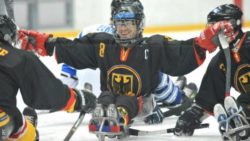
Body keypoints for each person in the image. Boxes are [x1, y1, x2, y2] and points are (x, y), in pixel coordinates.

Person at [18, 0, 234, 134]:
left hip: (145, 101)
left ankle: (122, 114)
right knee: (105, 97)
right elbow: (73, 49)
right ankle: (107, 113)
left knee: (142, 99)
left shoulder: (153, 45)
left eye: (128, 23)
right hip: (109, 96)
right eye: (119, 23)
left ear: (138, 24)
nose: (123, 28)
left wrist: (206, 40)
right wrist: (44, 43)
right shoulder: (103, 43)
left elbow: (182, 52)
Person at [59, 0, 198, 125]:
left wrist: (76, 100)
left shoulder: (87, 32)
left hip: (94, 101)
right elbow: (151, 74)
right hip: (129, 102)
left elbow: (67, 76)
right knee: (151, 65)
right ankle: (177, 96)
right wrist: (176, 101)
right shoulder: (130, 40)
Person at [0, 15, 96, 141]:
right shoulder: (17, 58)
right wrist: (77, 100)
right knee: (14, 124)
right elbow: (47, 93)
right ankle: (30, 131)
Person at [174, 4, 250, 139]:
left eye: (215, 25)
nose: (212, 31)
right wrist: (194, 116)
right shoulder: (220, 61)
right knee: (240, 110)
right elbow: (210, 95)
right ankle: (241, 117)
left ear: (231, 25)